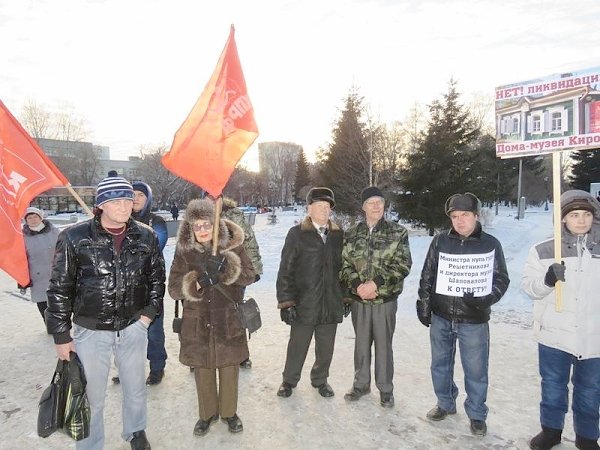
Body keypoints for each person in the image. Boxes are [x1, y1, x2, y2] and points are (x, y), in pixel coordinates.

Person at [45, 172, 165, 450]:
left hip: (133, 326)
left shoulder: (145, 236)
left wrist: (146, 317)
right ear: (100, 204)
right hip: (91, 330)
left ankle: (136, 431)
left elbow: (157, 279)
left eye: (127, 199)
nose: (124, 206)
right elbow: (59, 288)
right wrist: (61, 335)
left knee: (135, 388)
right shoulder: (74, 237)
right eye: (115, 201)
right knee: (90, 394)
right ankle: (89, 443)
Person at [416, 192, 509, 437]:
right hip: (442, 315)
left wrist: (486, 299)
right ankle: (445, 403)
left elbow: (501, 279)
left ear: (476, 216)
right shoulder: (440, 241)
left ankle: (477, 414)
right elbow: (428, 275)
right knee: (440, 365)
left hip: (473, 319)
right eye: (455, 216)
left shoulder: (490, 244)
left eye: (465, 215)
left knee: (476, 369)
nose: (460, 221)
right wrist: (424, 304)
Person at [168, 198, 255, 437]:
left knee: (229, 367)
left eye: (207, 225)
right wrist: (197, 281)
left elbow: (249, 274)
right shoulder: (184, 251)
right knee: (203, 369)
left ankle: (229, 413)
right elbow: (174, 288)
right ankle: (207, 414)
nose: (203, 230)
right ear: (190, 228)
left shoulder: (233, 246)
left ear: (215, 225)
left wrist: (226, 270)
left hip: (228, 318)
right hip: (198, 320)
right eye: (197, 226)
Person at [521, 190, 600, 450]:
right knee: (553, 387)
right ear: (563, 219)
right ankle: (551, 430)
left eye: (586, 214)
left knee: (590, 391)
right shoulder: (544, 250)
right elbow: (528, 287)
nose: (581, 220)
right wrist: (547, 280)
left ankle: (587, 436)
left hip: (593, 335)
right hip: (555, 333)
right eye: (574, 215)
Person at [340, 186, 412, 408]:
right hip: (359, 299)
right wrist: (357, 285)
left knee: (383, 345)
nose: (376, 206)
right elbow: (343, 264)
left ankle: (385, 389)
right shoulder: (352, 233)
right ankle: (361, 384)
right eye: (371, 202)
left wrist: (375, 284)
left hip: (384, 300)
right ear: (363, 207)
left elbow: (403, 264)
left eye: (380, 202)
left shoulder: (397, 232)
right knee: (361, 345)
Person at [276, 187, 345, 399]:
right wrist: (287, 302)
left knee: (326, 348)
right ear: (309, 208)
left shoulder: (338, 235)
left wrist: (347, 296)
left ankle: (320, 379)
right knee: (298, 346)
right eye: (319, 206)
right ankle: (289, 380)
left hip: (330, 302)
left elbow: (346, 268)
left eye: (328, 206)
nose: (324, 210)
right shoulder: (297, 234)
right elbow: (286, 270)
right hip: (304, 302)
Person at [112, 180, 168, 386]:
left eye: (140, 195)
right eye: (131, 194)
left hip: (149, 286)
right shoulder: (116, 220)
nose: (135, 198)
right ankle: (126, 368)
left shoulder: (156, 222)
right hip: (122, 287)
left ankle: (157, 367)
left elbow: (155, 245)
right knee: (124, 333)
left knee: (153, 332)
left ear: (148, 199)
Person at [221, 196, 263, 369]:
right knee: (205, 314)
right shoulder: (199, 215)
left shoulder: (234, 215)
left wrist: (254, 268)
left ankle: (240, 354)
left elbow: (249, 241)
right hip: (207, 273)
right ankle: (202, 353)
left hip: (235, 271)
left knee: (235, 314)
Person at [19, 207, 60, 323]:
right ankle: (49, 324)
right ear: (26, 221)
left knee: (59, 300)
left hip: (56, 272)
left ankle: (61, 325)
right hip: (36, 274)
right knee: (42, 302)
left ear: (41, 217)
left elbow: (64, 248)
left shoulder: (54, 231)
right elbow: (20, 258)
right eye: (29, 218)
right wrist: (22, 280)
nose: (33, 220)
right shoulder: (22, 236)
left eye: (35, 216)